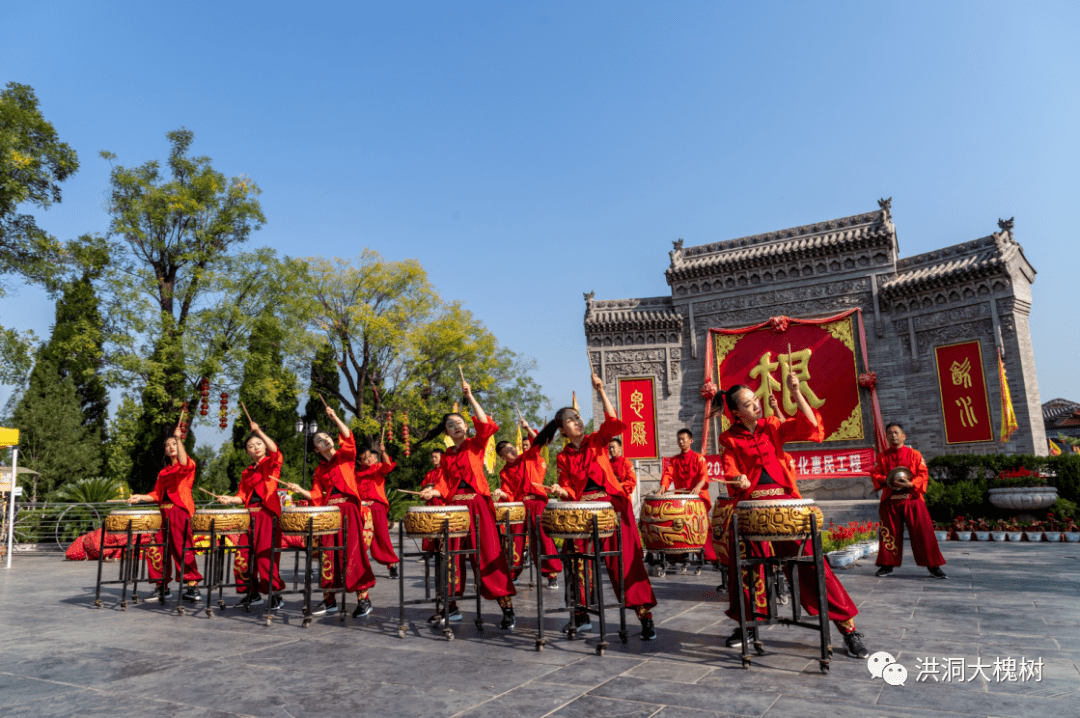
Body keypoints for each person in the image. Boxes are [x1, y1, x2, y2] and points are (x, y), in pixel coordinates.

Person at [717, 375, 869, 659]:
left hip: (785, 506)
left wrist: (797, 393)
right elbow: (729, 470)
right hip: (751, 510)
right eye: (748, 404)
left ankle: (849, 631)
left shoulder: (771, 426)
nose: (756, 407)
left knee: (813, 564)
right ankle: (749, 625)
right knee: (747, 569)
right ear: (736, 412)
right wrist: (738, 479)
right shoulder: (729, 438)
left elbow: (809, 426)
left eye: (755, 401)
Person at [536, 373, 658, 641]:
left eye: (578, 418)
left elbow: (614, 422)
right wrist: (560, 489)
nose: (577, 422)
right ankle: (581, 616)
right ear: (562, 428)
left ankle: (644, 616)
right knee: (577, 562)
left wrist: (601, 390)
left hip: (612, 508)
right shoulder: (563, 456)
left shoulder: (597, 440)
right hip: (582, 513)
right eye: (571, 420)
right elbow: (569, 488)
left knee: (625, 563)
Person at [418, 379, 517, 629]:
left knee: (488, 554)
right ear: (447, 433)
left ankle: (506, 607)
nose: (456, 427)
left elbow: (486, 424)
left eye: (459, 423)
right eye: (451, 425)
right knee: (449, 557)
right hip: (454, 511)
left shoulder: (475, 445)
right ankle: (450, 607)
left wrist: (471, 397)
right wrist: (432, 492)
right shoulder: (447, 458)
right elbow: (443, 483)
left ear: (466, 427)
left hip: (478, 507)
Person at [283, 406, 377, 618]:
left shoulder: (345, 455)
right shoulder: (319, 470)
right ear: (315, 449)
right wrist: (300, 491)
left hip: (350, 510)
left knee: (353, 553)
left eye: (326, 436)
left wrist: (334, 417)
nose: (325, 439)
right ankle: (329, 600)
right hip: (329, 513)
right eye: (319, 440)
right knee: (329, 554)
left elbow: (349, 437)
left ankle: (364, 600)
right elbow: (316, 495)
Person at [127, 421, 203, 603]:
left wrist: (178, 437)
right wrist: (140, 497)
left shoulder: (187, 466)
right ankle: (162, 587)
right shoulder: (163, 472)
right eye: (168, 445)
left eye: (174, 444)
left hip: (179, 512)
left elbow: (184, 461)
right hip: (163, 514)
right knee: (156, 548)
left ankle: (192, 587)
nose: (170, 447)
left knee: (181, 548)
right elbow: (156, 494)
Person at [216, 422, 286, 609]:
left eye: (258, 444)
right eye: (251, 446)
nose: (255, 447)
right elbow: (242, 497)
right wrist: (229, 499)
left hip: (267, 515)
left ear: (264, 446)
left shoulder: (271, 464)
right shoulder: (246, 472)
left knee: (265, 557)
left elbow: (275, 450)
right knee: (243, 556)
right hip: (249, 516)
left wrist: (258, 431)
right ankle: (252, 593)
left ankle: (275, 594)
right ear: (247, 452)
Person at [871, 423, 947, 579]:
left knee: (923, 533)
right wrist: (887, 479)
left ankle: (933, 566)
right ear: (886, 437)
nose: (893, 436)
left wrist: (911, 484)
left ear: (903, 436)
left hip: (912, 499)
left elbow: (922, 474)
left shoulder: (915, 455)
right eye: (890, 433)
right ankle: (886, 565)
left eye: (896, 432)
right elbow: (875, 474)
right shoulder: (882, 457)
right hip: (890, 500)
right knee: (888, 534)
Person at [494, 421, 563, 589]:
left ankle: (551, 574)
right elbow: (508, 491)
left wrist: (527, 429)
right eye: (508, 452)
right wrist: (501, 493)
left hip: (536, 502)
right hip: (519, 505)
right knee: (514, 538)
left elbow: (539, 442)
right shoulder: (504, 472)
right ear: (503, 457)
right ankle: (512, 572)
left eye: (512, 448)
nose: (513, 451)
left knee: (541, 537)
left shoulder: (528, 457)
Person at [660, 428, 720, 569]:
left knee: (702, 526)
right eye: (679, 439)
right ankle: (677, 555)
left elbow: (703, 476)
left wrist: (698, 486)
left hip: (697, 499)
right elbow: (668, 475)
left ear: (690, 441)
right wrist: (663, 486)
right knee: (677, 524)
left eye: (683, 439)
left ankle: (711, 557)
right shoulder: (675, 460)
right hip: (682, 500)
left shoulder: (699, 458)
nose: (681, 442)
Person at [356, 438, 401, 579]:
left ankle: (392, 564)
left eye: (370, 456)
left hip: (377, 507)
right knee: (360, 538)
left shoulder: (378, 467)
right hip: (362, 509)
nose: (369, 460)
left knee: (382, 536)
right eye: (365, 458)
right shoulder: (355, 474)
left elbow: (388, 466)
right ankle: (357, 566)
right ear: (359, 462)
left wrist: (383, 452)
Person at [419, 448, 444, 556]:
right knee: (429, 526)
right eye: (432, 457)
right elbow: (423, 487)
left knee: (441, 526)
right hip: (430, 503)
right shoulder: (429, 473)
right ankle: (430, 551)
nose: (433, 459)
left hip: (441, 503)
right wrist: (423, 492)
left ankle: (442, 549)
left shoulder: (445, 471)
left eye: (436, 457)